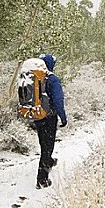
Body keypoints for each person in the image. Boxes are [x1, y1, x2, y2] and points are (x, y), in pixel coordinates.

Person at [35, 54, 67, 189]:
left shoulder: (35, 78)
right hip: (49, 117)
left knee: (43, 141)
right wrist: (63, 117)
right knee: (48, 145)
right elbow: (58, 101)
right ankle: (42, 180)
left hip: (37, 115)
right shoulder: (53, 79)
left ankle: (49, 160)